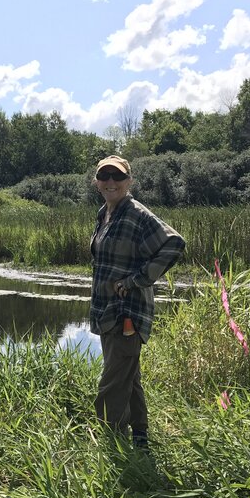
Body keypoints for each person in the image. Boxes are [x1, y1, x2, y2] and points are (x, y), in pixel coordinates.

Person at [90, 155, 185, 452]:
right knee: (127, 375)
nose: (111, 182)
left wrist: (136, 280)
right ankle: (140, 438)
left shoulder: (136, 214)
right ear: (96, 182)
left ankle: (113, 446)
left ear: (129, 181)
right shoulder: (105, 214)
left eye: (118, 176)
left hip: (126, 312)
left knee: (111, 384)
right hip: (106, 310)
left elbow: (174, 243)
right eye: (104, 176)